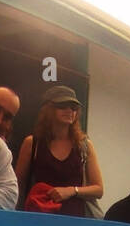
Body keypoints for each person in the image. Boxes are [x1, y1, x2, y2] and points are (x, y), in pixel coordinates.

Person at [15, 85, 104, 215]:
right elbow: (17, 185)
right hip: (40, 216)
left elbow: (99, 190)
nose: (69, 110)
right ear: (48, 109)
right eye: (63, 105)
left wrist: (72, 191)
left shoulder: (84, 145)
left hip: (75, 220)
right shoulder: (33, 143)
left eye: (73, 107)